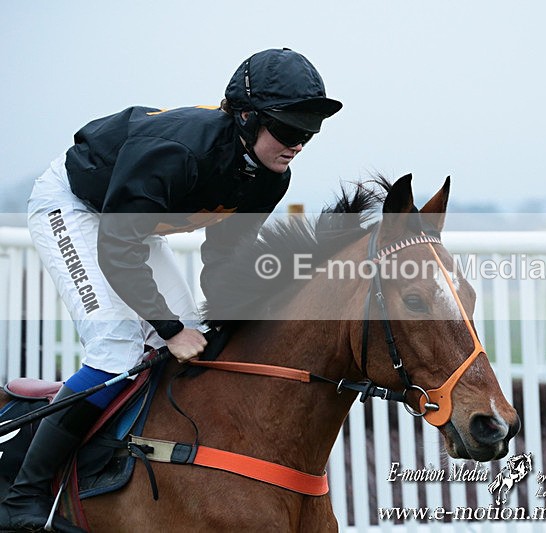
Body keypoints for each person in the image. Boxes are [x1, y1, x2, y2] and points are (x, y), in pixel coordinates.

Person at [0, 48, 341, 531]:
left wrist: (224, 319)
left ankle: (122, 463)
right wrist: (168, 325)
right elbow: (117, 247)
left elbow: (225, 256)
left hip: (133, 225)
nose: (299, 144)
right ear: (245, 117)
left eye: (309, 132)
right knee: (117, 351)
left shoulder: (270, 178)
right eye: (288, 130)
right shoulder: (178, 151)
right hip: (77, 209)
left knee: (188, 341)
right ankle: (21, 494)